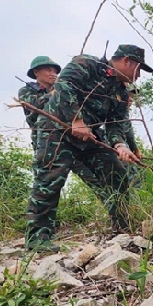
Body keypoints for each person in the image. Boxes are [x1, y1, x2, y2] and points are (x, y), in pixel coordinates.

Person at [25, 44, 152, 252]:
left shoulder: (120, 92)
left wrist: (120, 145)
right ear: (126, 60)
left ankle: (122, 227)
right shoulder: (88, 64)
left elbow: (116, 123)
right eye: (138, 69)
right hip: (57, 131)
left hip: (90, 137)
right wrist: (76, 119)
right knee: (49, 182)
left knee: (117, 174)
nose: (138, 75)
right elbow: (64, 86)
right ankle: (37, 239)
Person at [19, 56, 120, 208]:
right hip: (49, 143)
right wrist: (55, 93)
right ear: (36, 72)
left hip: (75, 139)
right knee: (47, 185)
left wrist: (63, 91)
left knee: (95, 179)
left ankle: (116, 211)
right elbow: (33, 107)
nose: (53, 73)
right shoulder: (27, 90)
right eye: (48, 69)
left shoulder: (64, 89)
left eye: (55, 70)